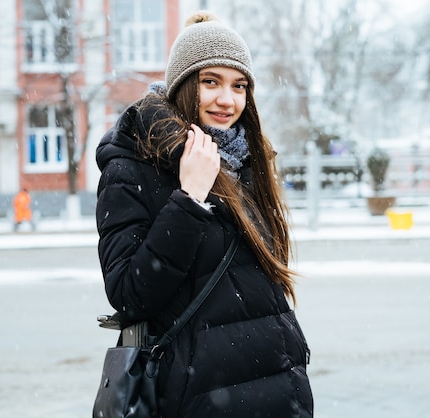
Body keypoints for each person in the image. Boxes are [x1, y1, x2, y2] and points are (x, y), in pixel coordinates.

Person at [95, 11, 313, 417]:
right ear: (182, 85)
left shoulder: (245, 160)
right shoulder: (131, 166)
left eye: (239, 85)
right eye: (210, 82)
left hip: (277, 393)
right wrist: (190, 198)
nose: (227, 100)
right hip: (199, 399)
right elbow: (129, 293)